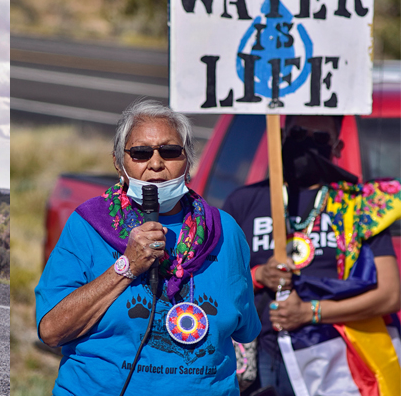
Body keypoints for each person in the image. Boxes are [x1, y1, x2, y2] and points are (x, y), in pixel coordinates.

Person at [35, 100, 260, 395]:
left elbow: (245, 328)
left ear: (188, 160)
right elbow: (51, 330)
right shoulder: (89, 225)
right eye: (141, 153)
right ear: (119, 161)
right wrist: (126, 267)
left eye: (170, 152)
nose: (156, 164)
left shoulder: (224, 231)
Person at [222, 115, 401, 396]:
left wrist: (310, 312)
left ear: (338, 147)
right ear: (281, 136)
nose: (307, 144)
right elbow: (216, 281)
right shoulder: (244, 201)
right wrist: (258, 275)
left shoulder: (358, 207)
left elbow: (390, 295)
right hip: (259, 356)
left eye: (320, 138)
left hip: (333, 361)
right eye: (298, 134)